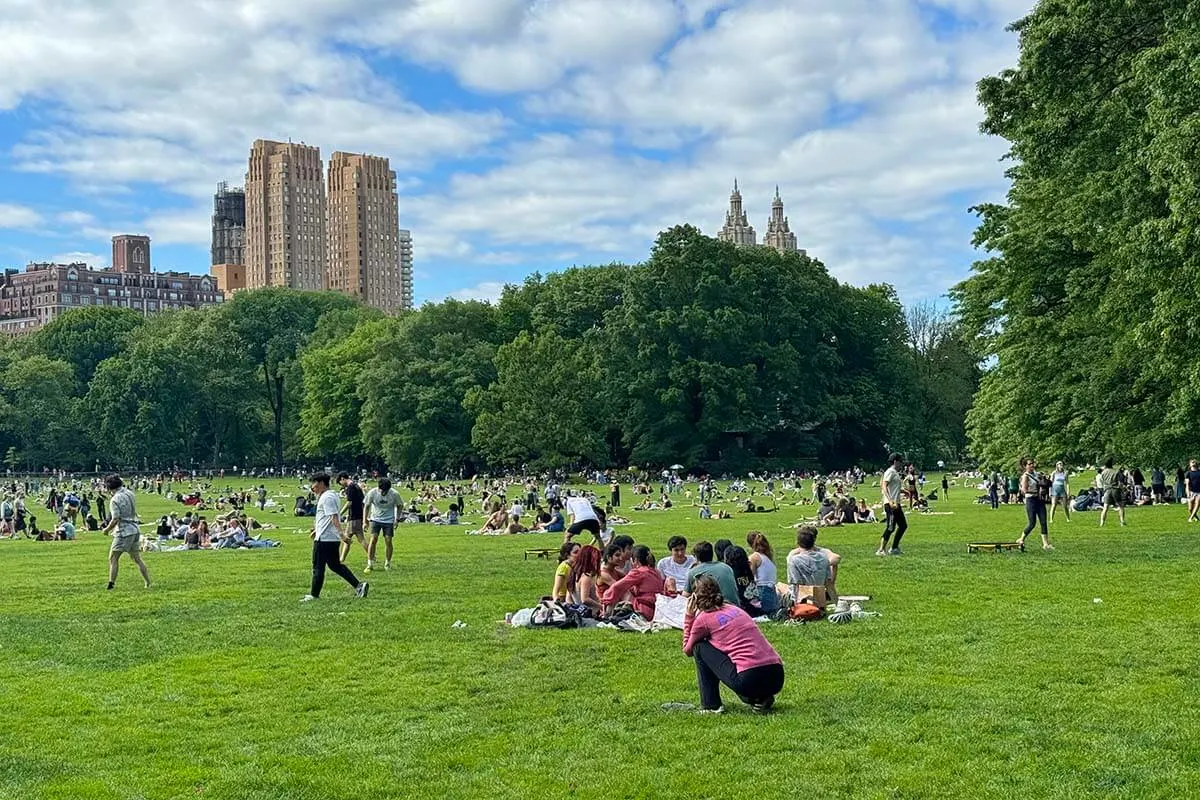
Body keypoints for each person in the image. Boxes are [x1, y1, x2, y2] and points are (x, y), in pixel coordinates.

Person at [681, 574, 785, 714]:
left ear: (694, 597)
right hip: (776, 675)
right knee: (731, 654)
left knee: (700, 647)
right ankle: (760, 699)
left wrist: (689, 616)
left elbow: (688, 650)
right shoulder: (736, 609)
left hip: (750, 677)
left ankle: (711, 705)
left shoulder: (704, 619)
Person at [301, 472, 368, 602]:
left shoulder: (327, 497)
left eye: (314, 483)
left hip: (325, 539)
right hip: (329, 537)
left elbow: (334, 517)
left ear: (321, 483)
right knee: (335, 565)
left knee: (318, 567)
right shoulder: (330, 496)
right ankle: (359, 586)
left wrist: (342, 534)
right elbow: (326, 518)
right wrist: (316, 530)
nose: (312, 486)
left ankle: (314, 595)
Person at [100, 474, 151, 590]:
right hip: (135, 528)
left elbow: (115, 518)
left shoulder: (115, 500)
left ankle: (111, 584)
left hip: (124, 531)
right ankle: (147, 582)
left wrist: (106, 530)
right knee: (137, 558)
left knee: (113, 558)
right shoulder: (130, 493)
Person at [601, 545, 664, 617]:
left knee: (621, 591)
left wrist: (605, 601)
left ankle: (606, 614)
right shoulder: (656, 571)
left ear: (636, 560)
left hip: (643, 609)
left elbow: (617, 586)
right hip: (656, 609)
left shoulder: (638, 572)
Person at [785, 526, 839, 602]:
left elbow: (796, 585)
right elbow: (829, 584)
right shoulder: (824, 558)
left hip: (802, 602)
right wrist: (836, 602)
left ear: (797, 542)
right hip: (820, 600)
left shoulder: (794, 560)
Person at [363, 478, 403, 572]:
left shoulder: (394, 494)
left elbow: (400, 505)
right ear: (378, 488)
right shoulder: (372, 493)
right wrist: (365, 521)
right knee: (373, 539)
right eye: (382, 490)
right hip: (375, 519)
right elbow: (367, 506)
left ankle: (387, 563)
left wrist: (397, 519)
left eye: (386, 491)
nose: (384, 493)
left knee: (388, 540)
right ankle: (369, 564)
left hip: (389, 520)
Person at [1017, 458, 1053, 550]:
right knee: (1032, 523)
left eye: (1032, 463)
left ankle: (1045, 544)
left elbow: (1045, 482)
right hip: (1031, 500)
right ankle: (1021, 539)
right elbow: (1024, 491)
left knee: (1043, 522)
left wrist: (1045, 482)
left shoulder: (1037, 474)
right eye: (1029, 464)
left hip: (1040, 500)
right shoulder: (1025, 476)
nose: (1032, 465)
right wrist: (1036, 490)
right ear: (1025, 466)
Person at [878, 453, 907, 556]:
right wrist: (890, 500)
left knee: (903, 525)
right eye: (900, 462)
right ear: (895, 461)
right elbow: (884, 486)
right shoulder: (890, 472)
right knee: (890, 527)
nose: (901, 464)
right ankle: (881, 549)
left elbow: (893, 487)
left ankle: (894, 548)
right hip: (891, 504)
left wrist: (903, 491)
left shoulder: (895, 472)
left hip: (896, 504)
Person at [745, 532, 779, 616]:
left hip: (762, 592)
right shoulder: (768, 558)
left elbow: (750, 577)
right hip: (772, 593)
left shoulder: (754, 557)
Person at [338, 473, 368, 565]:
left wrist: (339, 514)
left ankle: (372, 556)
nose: (341, 485)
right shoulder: (356, 485)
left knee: (350, 538)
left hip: (354, 516)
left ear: (342, 479)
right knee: (350, 538)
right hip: (359, 515)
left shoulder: (350, 487)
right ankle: (341, 559)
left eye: (340, 482)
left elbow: (349, 503)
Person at [1097, 458, 1126, 528]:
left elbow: (1103, 481)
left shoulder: (1103, 472)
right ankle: (1122, 521)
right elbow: (1120, 483)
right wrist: (1122, 489)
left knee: (1105, 507)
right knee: (1121, 506)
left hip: (1107, 490)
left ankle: (1102, 523)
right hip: (1115, 489)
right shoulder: (1116, 472)